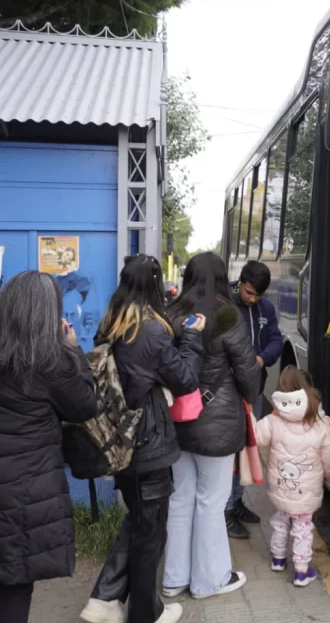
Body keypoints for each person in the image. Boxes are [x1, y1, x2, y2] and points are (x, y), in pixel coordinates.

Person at [80, 255, 205, 623]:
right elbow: (184, 379)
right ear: (153, 285)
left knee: (139, 522)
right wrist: (193, 337)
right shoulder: (149, 330)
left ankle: (104, 600)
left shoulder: (111, 324)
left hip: (121, 441)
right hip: (149, 443)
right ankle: (145, 615)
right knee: (150, 533)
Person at [0, 272, 97, 623]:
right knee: (14, 585)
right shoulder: (50, 362)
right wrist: (73, 351)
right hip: (25, 496)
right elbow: (86, 406)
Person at [162, 253, 260, 601]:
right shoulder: (229, 315)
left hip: (176, 421)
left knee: (181, 497)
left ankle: (174, 579)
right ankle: (210, 580)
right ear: (221, 278)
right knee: (210, 502)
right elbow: (248, 373)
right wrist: (251, 394)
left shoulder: (171, 312)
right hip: (217, 425)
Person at [255, 366, 330, 587]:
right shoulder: (323, 425)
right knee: (303, 528)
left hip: (281, 487)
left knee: (280, 521)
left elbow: (257, 437)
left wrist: (272, 415)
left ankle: (278, 559)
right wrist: (329, 475)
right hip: (307, 491)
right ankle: (301, 571)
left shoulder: (273, 422)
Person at [226, 260, 284, 538]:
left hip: (255, 391)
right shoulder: (226, 306)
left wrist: (262, 359)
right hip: (229, 393)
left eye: (257, 295)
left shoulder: (266, 309)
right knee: (230, 453)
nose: (252, 298)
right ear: (240, 283)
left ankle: (236, 501)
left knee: (248, 451)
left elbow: (276, 340)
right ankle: (225, 510)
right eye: (248, 292)